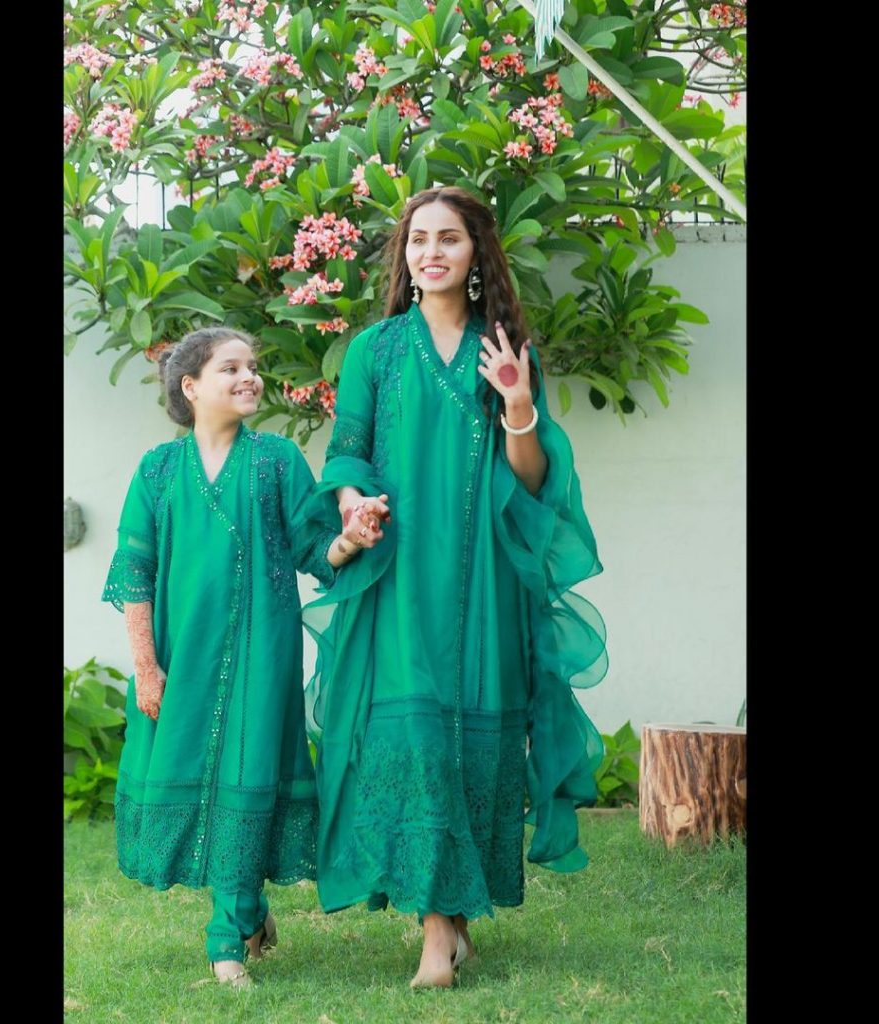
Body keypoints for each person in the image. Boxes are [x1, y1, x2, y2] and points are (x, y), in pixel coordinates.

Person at [303, 187, 609, 988]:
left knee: (475, 741)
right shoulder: (373, 349)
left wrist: (516, 403)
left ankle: (459, 921)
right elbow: (348, 453)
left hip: (483, 581)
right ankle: (436, 935)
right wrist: (354, 507)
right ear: (404, 255)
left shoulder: (503, 347)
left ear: (477, 254)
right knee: (414, 739)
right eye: (417, 240)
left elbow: (534, 479)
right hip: (401, 573)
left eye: (448, 239)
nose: (429, 252)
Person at [101, 326, 385, 988]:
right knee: (201, 778)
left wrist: (351, 537)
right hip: (184, 657)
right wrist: (146, 666)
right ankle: (252, 910)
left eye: (253, 367)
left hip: (264, 656)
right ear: (191, 386)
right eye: (232, 367)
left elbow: (316, 553)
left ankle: (225, 937)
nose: (249, 377)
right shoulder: (157, 471)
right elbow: (134, 574)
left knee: (251, 775)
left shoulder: (279, 462)